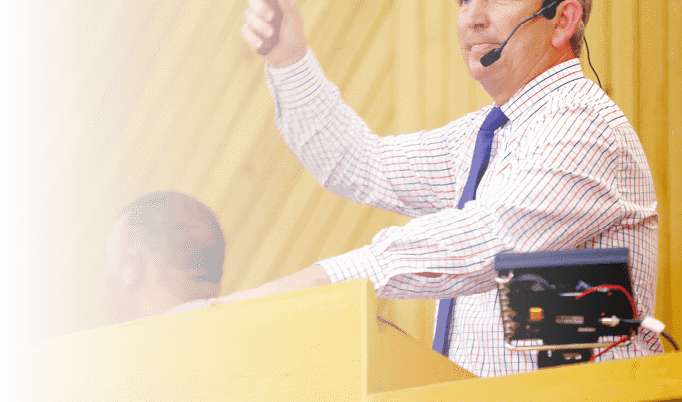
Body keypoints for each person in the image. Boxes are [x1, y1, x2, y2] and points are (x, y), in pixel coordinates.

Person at [216, 0, 663, 376]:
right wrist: (289, 59)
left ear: (562, 20)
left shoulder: (585, 126)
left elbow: (480, 242)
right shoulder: (479, 136)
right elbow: (359, 163)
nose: (473, 17)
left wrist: (272, 296)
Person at [100, 190, 226, 325]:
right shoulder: (245, 323)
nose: (104, 276)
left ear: (131, 268)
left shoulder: (130, 345)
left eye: (109, 262)